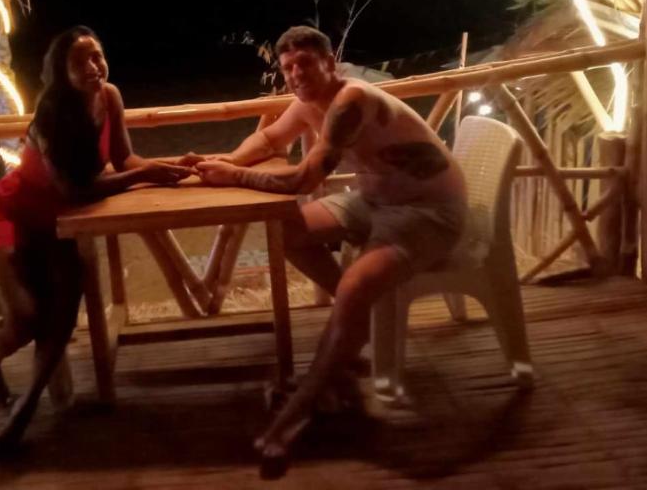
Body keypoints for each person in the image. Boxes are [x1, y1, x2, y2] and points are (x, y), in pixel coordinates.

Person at [195, 26, 467, 475]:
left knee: (355, 287)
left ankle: (292, 414)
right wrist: (225, 162)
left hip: (428, 210)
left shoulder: (351, 100)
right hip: (375, 200)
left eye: (306, 63)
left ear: (330, 62)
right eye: (288, 67)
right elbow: (268, 141)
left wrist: (235, 178)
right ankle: (354, 317)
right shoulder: (307, 103)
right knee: (288, 234)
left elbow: (303, 179)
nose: (297, 73)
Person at [0, 26, 193, 460]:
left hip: (64, 224)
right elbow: (72, 190)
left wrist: (163, 166)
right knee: (24, 318)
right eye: (81, 61)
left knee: (62, 316)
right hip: (12, 217)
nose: (94, 66)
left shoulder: (109, 96)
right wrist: (143, 176)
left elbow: (123, 159)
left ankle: (26, 407)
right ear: (61, 71)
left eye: (98, 55)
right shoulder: (51, 117)